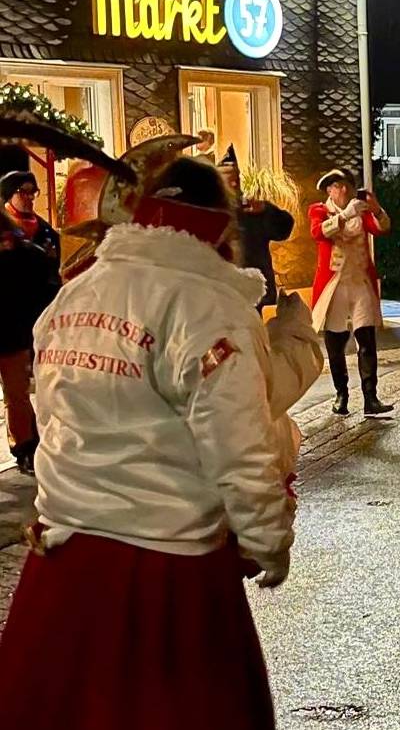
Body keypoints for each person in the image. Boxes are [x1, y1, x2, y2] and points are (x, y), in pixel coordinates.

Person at [0, 157, 313, 730]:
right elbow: (238, 444)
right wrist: (268, 540)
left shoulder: (75, 295)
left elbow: (53, 414)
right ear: (219, 223)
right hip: (165, 571)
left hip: (64, 564)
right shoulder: (208, 305)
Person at [310, 168, 394, 417]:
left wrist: (376, 209)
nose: (344, 190)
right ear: (329, 190)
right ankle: (341, 395)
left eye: (346, 184)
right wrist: (346, 214)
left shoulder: (361, 212)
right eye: (338, 186)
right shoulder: (319, 211)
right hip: (335, 287)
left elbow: (382, 228)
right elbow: (319, 232)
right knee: (335, 345)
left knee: (367, 341)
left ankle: (371, 398)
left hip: (360, 284)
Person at [0, 209, 49, 473]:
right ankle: (25, 449)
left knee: (17, 397)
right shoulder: (26, 251)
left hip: (13, 336)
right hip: (15, 335)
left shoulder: (23, 251)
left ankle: (25, 447)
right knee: (16, 396)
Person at [218, 147, 295, 310]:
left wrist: (266, 211)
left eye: (236, 179)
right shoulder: (208, 213)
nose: (234, 184)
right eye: (229, 180)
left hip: (257, 292)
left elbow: (284, 229)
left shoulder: (253, 209)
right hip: (223, 293)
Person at [0, 169, 61, 303]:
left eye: (33, 192)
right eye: (23, 192)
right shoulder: (4, 227)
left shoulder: (45, 229)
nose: (31, 197)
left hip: (40, 300)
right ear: (9, 195)